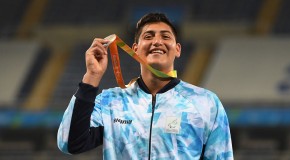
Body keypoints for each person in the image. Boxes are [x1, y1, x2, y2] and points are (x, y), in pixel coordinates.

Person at [57, 12, 234, 160]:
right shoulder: (111, 102)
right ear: (135, 49)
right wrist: (91, 77)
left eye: (165, 36)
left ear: (177, 49)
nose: (157, 41)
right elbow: (70, 143)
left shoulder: (206, 103)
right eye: (148, 36)